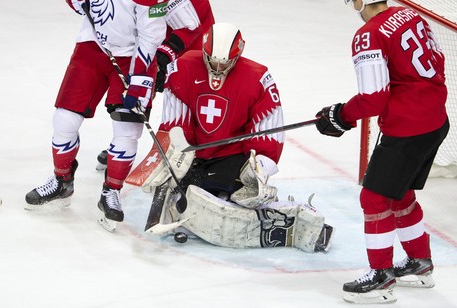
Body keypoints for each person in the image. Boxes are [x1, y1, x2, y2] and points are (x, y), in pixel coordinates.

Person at [24, 0, 185, 231]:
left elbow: (150, 41)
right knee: (63, 120)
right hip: (92, 46)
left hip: (133, 56)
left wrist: (139, 84)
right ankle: (62, 181)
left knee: (127, 131)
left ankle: (111, 191)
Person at [314, 0, 449, 304]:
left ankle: (381, 278)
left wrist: (341, 115)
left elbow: (375, 97)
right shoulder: (409, 15)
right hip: (435, 120)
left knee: (373, 198)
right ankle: (420, 265)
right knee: (398, 194)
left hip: (408, 127)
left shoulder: (368, 35)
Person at [141, 22, 334, 252]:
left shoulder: (259, 78)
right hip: (195, 154)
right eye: (212, 60)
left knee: (228, 196)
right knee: (183, 193)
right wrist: (177, 154)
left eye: (224, 63)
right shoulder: (182, 68)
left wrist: (258, 169)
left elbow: (268, 131)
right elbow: (176, 122)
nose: (217, 67)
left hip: (232, 156)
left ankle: (284, 212)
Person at [94, 0, 215, 171]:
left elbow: (192, 25)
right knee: (143, 83)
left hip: (194, 37)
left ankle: (194, 150)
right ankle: (124, 142)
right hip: (160, 31)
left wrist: (165, 54)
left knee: (184, 93)